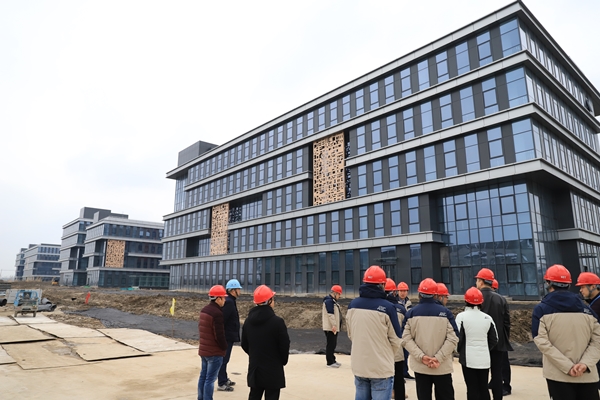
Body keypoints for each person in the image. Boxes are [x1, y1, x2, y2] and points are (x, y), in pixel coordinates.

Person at [532, 264, 600, 400]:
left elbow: (542, 342)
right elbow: (597, 341)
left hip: (558, 376)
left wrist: (568, 367)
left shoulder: (541, 310)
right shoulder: (588, 310)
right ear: (569, 284)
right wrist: (585, 364)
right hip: (587, 374)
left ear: (548, 283)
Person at [347, 266, 403, 400]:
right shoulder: (388, 308)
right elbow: (396, 339)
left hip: (360, 366)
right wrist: (385, 354)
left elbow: (351, 334)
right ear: (382, 284)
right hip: (381, 369)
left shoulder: (353, 305)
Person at [402, 278, 459, 400]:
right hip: (441, 367)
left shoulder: (411, 313)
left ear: (419, 294)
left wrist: (421, 356)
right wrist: (438, 357)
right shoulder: (445, 313)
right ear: (435, 295)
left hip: (421, 366)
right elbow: (453, 338)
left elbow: (405, 338)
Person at [241, 285, 290, 400]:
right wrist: (281, 361)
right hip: (273, 369)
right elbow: (284, 345)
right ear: (269, 301)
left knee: (254, 396)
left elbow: (244, 344)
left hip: (255, 369)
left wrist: (255, 355)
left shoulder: (248, 322)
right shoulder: (277, 322)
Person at [475, 268, 512, 398]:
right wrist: (503, 339)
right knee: (497, 373)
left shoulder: (476, 298)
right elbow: (507, 323)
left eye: (477, 280)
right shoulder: (501, 299)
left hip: (480, 343)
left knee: (481, 374)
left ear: (481, 281)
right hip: (498, 342)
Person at [455, 287, 498, 400]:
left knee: (472, 388)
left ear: (466, 301)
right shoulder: (487, 318)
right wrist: (484, 348)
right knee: (483, 388)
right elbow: (494, 339)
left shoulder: (461, 317)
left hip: (468, 360)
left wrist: (459, 351)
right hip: (484, 359)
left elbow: (457, 338)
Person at [198, 285, 228, 400]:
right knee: (210, 379)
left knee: (203, 377)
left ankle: (201, 398)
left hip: (204, 350)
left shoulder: (204, 310)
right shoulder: (217, 313)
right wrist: (224, 347)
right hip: (214, 352)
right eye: (223, 298)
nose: (224, 300)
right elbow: (219, 335)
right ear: (218, 298)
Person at [575, 271, 600, 390]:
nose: (581, 290)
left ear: (593, 286)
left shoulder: (597, 305)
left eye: (583, 287)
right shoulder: (593, 303)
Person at [218, 279, 242, 392]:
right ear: (232, 290)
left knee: (225, 359)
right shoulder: (229, 302)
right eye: (238, 289)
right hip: (227, 336)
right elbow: (223, 319)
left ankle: (224, 378)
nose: (240, 291)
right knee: (224, 359)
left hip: (229, 335)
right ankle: (221, 383)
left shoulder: (230, 300)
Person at [385, 278, 408, 400]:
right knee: (399, 378)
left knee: (382, 378)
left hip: (381, 350)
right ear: (395, 292)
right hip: (397, 349)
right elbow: (405, 329)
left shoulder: (377, 307)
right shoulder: (401, 309)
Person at [489, 278, 512, 395]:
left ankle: (505, 385)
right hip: (501, 337)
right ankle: (499, 383)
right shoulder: (501, 300)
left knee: (499, 363)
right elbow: (507, 322)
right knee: (500, 363)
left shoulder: (491, 300)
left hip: (493, 337)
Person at [322, 284, 343, 368]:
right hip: (330, 327)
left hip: (332, 327)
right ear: (335, 293)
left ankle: (333, 360)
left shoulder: (332, 301)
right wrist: (334, 325)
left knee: (333, 344)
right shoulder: (329, 301)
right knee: (330, 344)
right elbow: (330, 314)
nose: (339, 296)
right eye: (339, 294)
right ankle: (330, 362)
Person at [397, 281, 414, 380]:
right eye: (401, 291)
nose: (402, 293)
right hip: (398, 330)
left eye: (404, 291)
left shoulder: (408, 303)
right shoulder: (395, 303)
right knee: (398, 354)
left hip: (406, 330)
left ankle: (405, 372)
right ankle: (399, 374)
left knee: (405, 353)